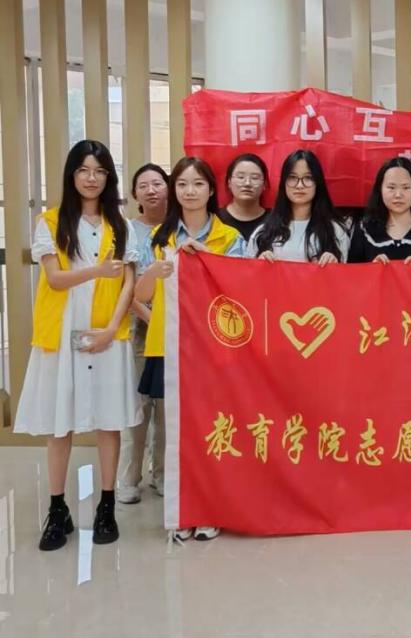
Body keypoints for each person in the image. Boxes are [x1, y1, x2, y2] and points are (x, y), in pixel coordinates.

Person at [16, 140, 141, 551]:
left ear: (109, 178)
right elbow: (55, 279)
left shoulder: (120, 225)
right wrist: (96, 271)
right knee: (60, 424)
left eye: (100, 171)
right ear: (72, 175)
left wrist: (110, 329)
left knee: (109, 421)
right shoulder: (50, 222)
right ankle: (57, 510)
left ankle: (107, 506)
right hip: (61, 333)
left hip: (108, 335)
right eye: (84, 170)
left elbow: (128, 284)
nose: (92, 178)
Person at [134, 157, 246, 543]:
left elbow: (241, 292)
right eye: (182, 184)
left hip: (214, 347)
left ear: (211, 190)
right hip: (168, 345)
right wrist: (154, 271)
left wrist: (209, 262)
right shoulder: (158, 238)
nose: (190, 191)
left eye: (198, 184)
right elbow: (140, 294)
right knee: (176, 432)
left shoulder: (230, 238)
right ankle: (183, 511)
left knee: (213, 429)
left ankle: (210, 509)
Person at [117, 163, 170, 505]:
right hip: (137, 328)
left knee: (166, 407)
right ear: (135, 193)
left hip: (173, 331)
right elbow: (125, 285)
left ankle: (162, 475)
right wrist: (152, 317)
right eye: (144, 185)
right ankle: (129, 478)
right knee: (136, 408)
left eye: (158, 183)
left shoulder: (178, 229)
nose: (151, 190)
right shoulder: (126, 231)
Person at [248, 149, 348, 264]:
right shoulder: (263, 232)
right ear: (283, 183)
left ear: (318, 183)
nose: (300, 185)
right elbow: (248, 272)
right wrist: (260, 264)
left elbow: (342, 273)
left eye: (308, 178)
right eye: (292, 177)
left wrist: (334, 264)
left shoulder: (335, 231)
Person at [348, 157, 411, 264]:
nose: (398, 195)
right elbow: (351, 271)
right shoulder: (363, 229)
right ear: (380, 188)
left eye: (406, 187)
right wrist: (371, 269)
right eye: (391, 187)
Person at [218, 152, 269, 241]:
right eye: (240, 177)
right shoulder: (216, 219)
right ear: (229, 182)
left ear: (264, 184)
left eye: (255, 178)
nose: (247, 183)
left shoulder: (275, 220)